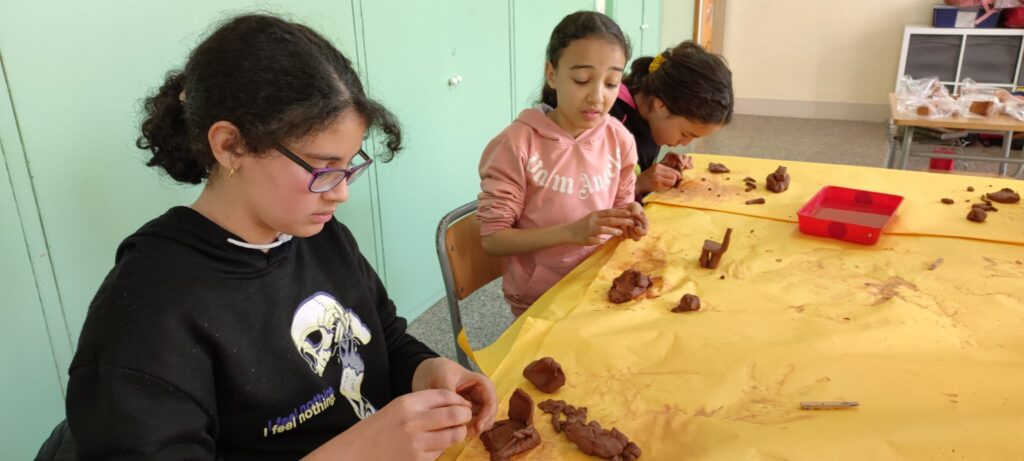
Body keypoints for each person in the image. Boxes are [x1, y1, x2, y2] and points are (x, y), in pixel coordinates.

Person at [65, 14, 495, 461]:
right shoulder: (149, 309)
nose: (341, 192)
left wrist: (428, 371)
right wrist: (358, 450)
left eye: (349, 165)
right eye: (322, 168)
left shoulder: (320, 236)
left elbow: (384, 339)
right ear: (230, 146)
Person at [477, 11, 646, 316]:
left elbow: (620, 207)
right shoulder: (517, 144)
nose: (597, 97)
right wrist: (571, 232)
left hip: (599, 285)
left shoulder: (619, 139)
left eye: (611, 83)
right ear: (552, 74)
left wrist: (630, 216)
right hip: (541, 300)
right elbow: (493, 239)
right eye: (582, 80)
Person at [612, 41, 735, 198]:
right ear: (661, 105)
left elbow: (633, 168)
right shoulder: (609, 120)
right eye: (685, 134)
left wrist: (660, 170)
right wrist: (638, 185)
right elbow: (589, 198)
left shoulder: (653, 116)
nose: (685, 143)